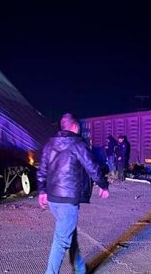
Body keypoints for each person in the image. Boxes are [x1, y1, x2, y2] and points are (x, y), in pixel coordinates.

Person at [37, 113, 110, 274]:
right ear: (75, 126)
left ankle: (80, 269)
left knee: (69, 232)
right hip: (68, 199)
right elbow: (91, 166)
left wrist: (42, 190)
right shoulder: (77, 143)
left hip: (53, 199)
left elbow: (42, 169)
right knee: (62, 240)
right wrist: (103, 185)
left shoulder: (50, 144)